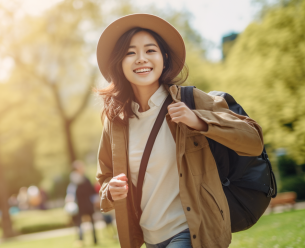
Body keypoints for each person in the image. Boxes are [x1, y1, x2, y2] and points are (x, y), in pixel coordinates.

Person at [95, 14, 264, 248]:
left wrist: (200, 121)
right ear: (119, 62)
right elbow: (104, 178)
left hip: (191, 232)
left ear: (164, 58)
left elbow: (253, 139)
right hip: (148, 238)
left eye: (150, 50)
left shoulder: (189, 100)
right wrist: (110, 191)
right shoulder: (116, 122)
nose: (141, 59)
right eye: (130, 52)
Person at [66, 160, 98, 246]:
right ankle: (81, 240)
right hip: (79, 204)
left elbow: (92, 192)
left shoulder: (85, 179)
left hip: (87, 203)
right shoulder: (75, 180)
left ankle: (95, 240)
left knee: (91, 223)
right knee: (79, 223)